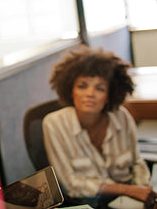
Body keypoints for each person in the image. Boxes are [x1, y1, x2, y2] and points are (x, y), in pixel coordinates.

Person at [42, 45, 156, 208]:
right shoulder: (53, 124)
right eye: (82, 86)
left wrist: (143, 191)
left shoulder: (121, 117)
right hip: (87, 202)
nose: (90, 93)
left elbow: (137, 162)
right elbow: (70, 184)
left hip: (128, 201)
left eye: (100, 88)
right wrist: (126, 189)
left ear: (109, 95)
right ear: (70, 90)